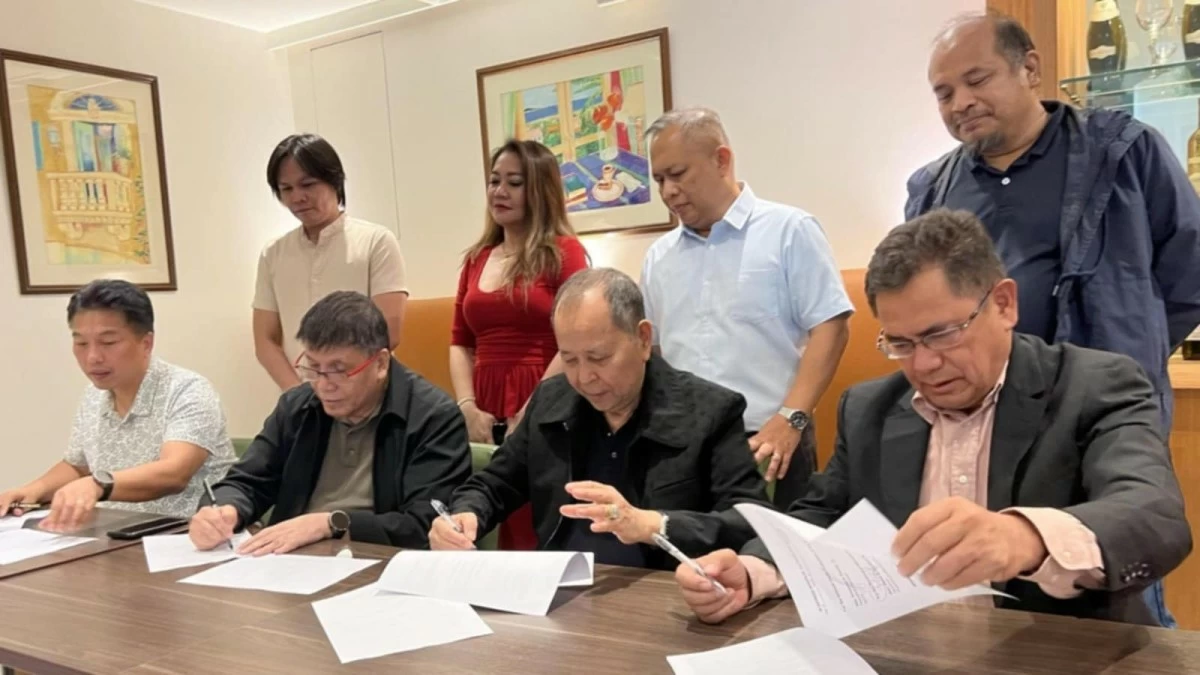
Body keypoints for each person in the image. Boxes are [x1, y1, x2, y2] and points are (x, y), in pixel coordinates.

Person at [673, 209, 1191, 626]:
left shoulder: (1094, 385)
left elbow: (1153, 515)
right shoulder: (869, 408)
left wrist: (1024, 539)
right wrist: (755, 569)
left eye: (943, 334)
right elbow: (822, 518)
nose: (923, 364)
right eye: (900, 343)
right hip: (908, 653)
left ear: (1005, 305)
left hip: (1062, 653)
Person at [904, 12, 1200, 628]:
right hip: (987, 426)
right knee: (999, 585)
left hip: (1097, 414)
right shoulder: (931, 189)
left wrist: (1121, 362)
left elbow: (1187, 278)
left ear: (1030, 68)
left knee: (1115, 576)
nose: (961, 102)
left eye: (976, 80)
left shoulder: (1124, 151)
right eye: (943, 92)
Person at [430, 268, 771, 568]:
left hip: (662, 597)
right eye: (570, 359)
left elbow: (751, 523)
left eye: (598, 357)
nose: (583, 378)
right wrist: (465, 515)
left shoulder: (710, 411)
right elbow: (494, 483)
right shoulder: (552, 400)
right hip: (558, 592)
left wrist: (654, 524)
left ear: (643, 339)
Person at [639, 107, 853, 508]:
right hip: (684, 447)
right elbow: (654, 355)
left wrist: (793, 418)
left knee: (773, 565)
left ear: (721, 160)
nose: (668, 191)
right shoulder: (657, 258)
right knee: (685, 567)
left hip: (769, 441)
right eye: (659, 179)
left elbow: (832, 328)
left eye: (678, 174)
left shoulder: (789, 231)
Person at [189, 291, 470, 553]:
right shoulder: (298, 406)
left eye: (338, 370)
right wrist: (224, 510)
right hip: (288, 562)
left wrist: (329, 523)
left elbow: (425, 525)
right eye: (313, 367)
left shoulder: (432, 416)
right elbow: (248, 480)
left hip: (377, 562)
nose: (324, 386)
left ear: (381, 364)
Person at [0, 280, 235, 530]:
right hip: (116, 535)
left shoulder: (188, 390)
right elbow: (79, 465)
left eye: (108, 343)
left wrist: (99, 485)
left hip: (190, 537)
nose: (93, 357)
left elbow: (173, 473)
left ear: (146, 343)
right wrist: (32, 490)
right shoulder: (94, 395)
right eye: (81, 343)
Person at [449, 139, 589, 551]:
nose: (499, 192)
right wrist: (467, 406)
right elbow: (459, 341)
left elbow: (574, 339)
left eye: (514, 182)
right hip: (483, 400)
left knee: (535, 515)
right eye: (494, 181)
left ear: (540, 191)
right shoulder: (477, 258)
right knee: (486, 508)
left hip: (546, 395)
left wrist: (530, 411)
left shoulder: (566, 253)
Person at [253, 133, 409, 392]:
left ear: (334, 180)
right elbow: (265, 340)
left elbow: (389, 332)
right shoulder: (273, 253)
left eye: (308, 184)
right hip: (301, 397)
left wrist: (337, 385)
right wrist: (297, 394)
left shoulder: (376, 241)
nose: (297, 197)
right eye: (286, 189)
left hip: (368, 393)